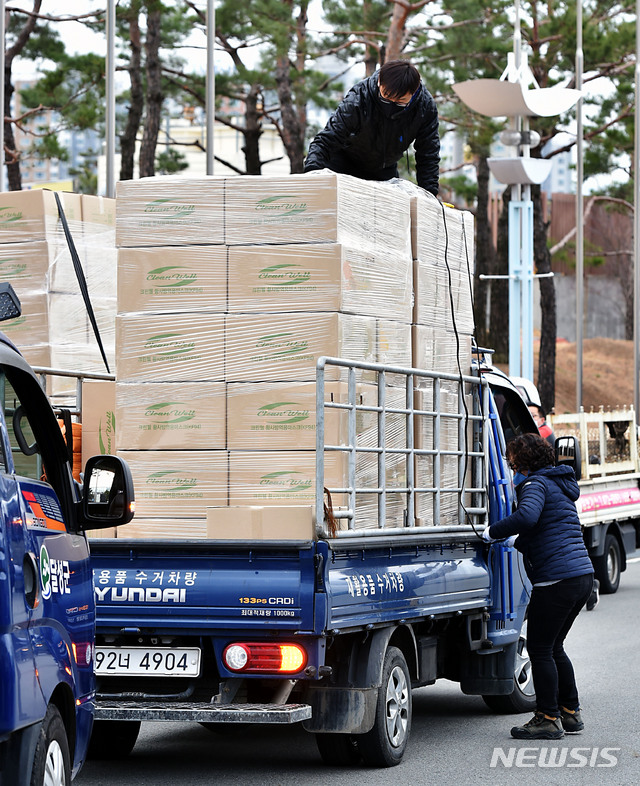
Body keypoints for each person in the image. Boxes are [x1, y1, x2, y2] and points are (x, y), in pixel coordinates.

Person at [482, 433, 594, 740]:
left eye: (513, 461)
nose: (511, 466)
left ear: (523, 462)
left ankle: (547, 717)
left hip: (557, 579)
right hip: (580, 575)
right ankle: (570, 713)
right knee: (555, 646)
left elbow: (527, 517)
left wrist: (492, 531)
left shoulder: (535, 484)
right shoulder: (559, 483)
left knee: (540, 649)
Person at [304, 60, 440, 196]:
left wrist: (429, 196)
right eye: (386, 97)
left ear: (414, 92)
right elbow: (328, 138)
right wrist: (312, 172)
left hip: (384, 169)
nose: (391, 106)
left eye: (400, 102)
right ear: (379, 82)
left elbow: (428, 155)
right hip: (344, 162)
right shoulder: (359, 98)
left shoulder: (425, 108)